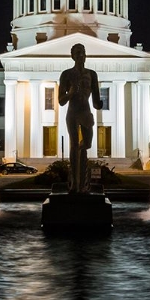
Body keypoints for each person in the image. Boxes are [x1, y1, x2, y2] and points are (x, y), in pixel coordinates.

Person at [58, 43, 103, 192]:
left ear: (85, 55)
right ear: (72, 56)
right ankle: (77, 184)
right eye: (77, 53)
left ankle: (81, 178)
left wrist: (99, 104)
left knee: (87, 144)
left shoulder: (92, 74)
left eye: (82, 52)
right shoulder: (66, 74)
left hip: (85, 112)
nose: (80, 55)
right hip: (72, 112)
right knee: (74, 145)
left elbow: (96, 99)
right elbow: (61, 100)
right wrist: (71, 93)